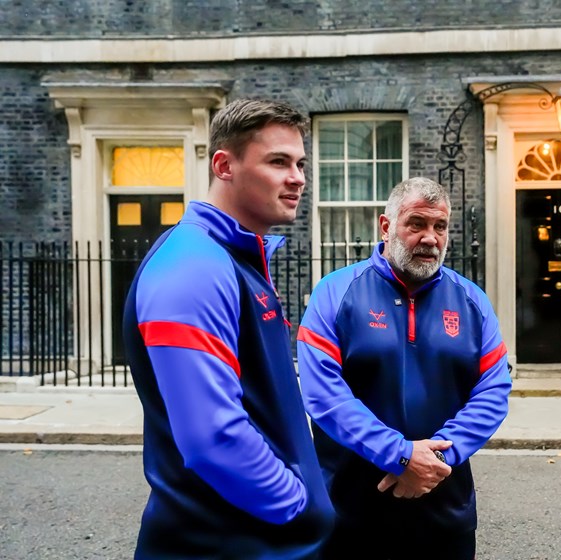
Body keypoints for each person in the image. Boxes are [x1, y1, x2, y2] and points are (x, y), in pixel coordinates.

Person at [123, 98, 334, 559]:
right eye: (278, 162)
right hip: (225, 545)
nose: (298, 177)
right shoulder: (194, 265)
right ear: (224, 165)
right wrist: (299, 508)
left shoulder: (234, 259)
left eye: (300, 163)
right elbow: (212, 439)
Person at [296, 176, 512, 560]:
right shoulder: (335, 292)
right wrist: (399, 454)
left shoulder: (472, 301)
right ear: (386, 226)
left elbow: (493, 392)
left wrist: (437, 459)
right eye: (417, 224)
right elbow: (324, 394)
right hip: (351, 512)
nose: (430, 238)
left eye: (440, 226)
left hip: (445, 510)